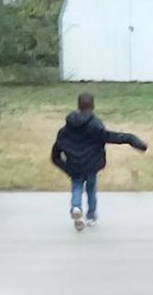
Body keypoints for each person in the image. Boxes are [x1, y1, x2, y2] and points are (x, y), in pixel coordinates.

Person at [49, 92, 147, 231]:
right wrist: (132, 140)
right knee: (91, 190)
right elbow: (113, 137)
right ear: (93, 106)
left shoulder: (65, 130)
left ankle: (76, 207)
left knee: (76, 187)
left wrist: (66, 168)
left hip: (74, 166)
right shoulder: (95, 125)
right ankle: (91, 217)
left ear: (78, 106)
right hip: (91, 165)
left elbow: (55, 154)